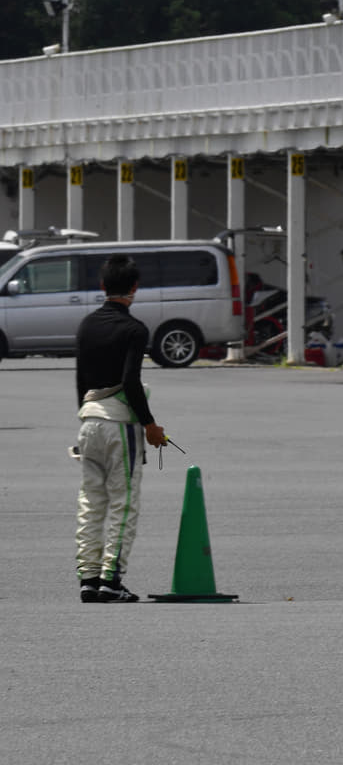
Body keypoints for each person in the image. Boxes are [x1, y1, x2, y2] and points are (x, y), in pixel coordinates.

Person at [74, 255, 167, 603]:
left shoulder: (86, 325)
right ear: (134, 289)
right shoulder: (134, 329)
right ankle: (111, 581)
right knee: (123, 504)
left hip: (88, 419)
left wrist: (83, 418)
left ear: (102, 286)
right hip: (118, 424)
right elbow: (130, 381)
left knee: (90, 502)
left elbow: (80, 380)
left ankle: (89, 577)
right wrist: (149, 425)